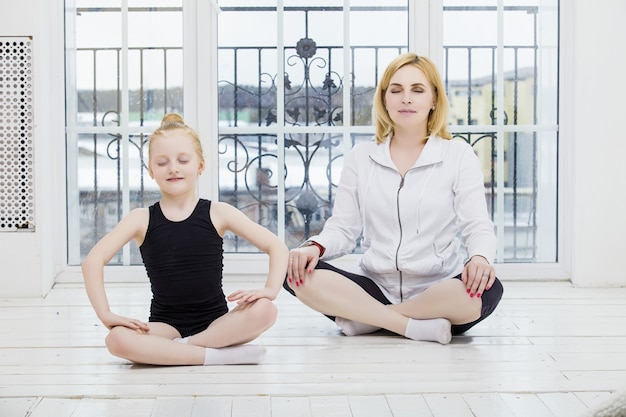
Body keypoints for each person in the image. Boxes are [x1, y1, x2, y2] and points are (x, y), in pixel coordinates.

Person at [283, 53, 504, 344]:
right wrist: (315, 246)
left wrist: (479, 257)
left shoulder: (457, 155)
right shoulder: (361, 157)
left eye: (417, 89)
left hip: (436, 289)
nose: (406, 98)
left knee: (487, 289)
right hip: (375, 285)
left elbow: (477, 225)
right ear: (385, 99)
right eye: (396, 90)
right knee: (294, 270)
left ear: (434, 99)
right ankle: (409, 325)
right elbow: (344, 228)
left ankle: (369, 320)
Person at [82, 113, 289, 365]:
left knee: (266, 309)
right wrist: (105, 314)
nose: (173, 168)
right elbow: (93, 261)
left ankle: (181, 349)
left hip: (217, 322)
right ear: (151, 171)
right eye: (162, 162)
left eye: (182, 160)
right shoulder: (140, 219)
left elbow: (276, 245)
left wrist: (270, 289)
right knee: (116, 340)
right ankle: (217, 355)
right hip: (165, 326)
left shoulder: (218, 212)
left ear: (200, 165)